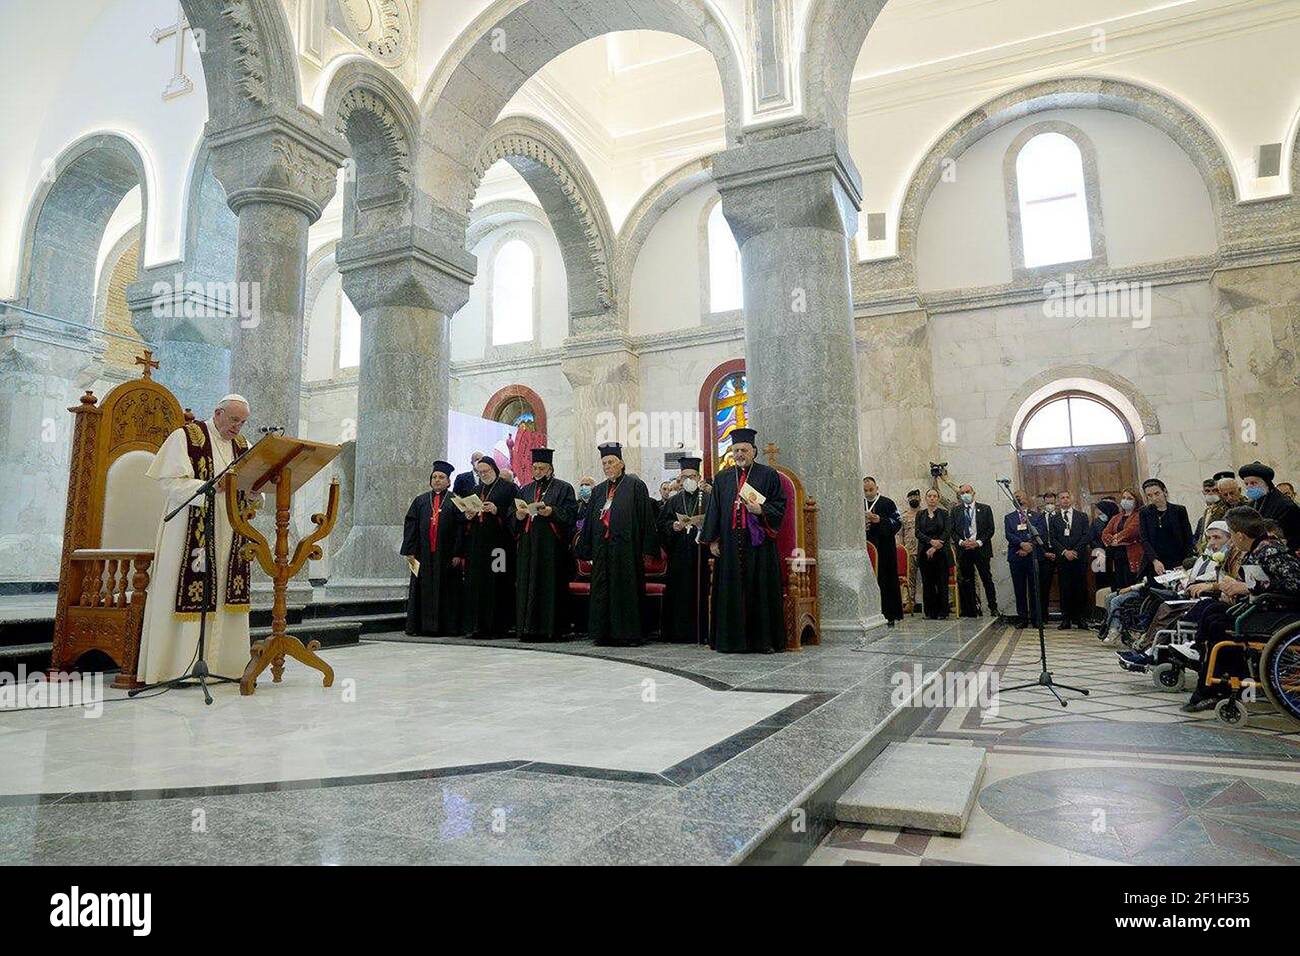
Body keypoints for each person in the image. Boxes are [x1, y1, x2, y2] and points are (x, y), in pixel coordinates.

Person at [136, 395, 260, 684]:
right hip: (189, 530)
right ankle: (176, 668)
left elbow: (253, 488)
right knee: (189, 588)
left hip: (230, 531)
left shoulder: (244, 447)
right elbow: (169, 482)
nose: (238, 427)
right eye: (233, 420)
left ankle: (225, 666)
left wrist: (254, 493)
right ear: (218, 413)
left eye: (242, 422)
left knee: (224, 592)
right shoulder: (186, 437)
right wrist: (207, 486)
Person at [1181, 506, 1300, 712]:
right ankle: (1212, 678)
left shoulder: (1271, 551)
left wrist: (1247, 587)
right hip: (1265, 608)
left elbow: (1295, 584)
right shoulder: (1257, 548)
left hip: (1280, 614)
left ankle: (1217, 687)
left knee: (1217, 623)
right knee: (1211, 611)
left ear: (1240, 535)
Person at [701, 428, 787, 653]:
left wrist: (761, 509)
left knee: (759, 591)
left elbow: (780, 505)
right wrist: (713, 540)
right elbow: (715, 510)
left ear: (754, 451)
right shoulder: (722, 478)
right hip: (729, 544)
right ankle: (730, 641)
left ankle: (762, 641)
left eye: (744, 450)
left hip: (758, 544)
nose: (739, 454)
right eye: (736, 450)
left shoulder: (768, 475)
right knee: (731, 592)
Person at [575, 443, 658, 646]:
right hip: (602, 550)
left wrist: (647, 549)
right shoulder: (598, 490)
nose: (607, 466)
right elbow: (589, 521)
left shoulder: (635, 486)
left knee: (626, 589)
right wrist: (586, 548)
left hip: (626, 550)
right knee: (602, 589)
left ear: (621, 464)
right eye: (604, 463)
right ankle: (603, 633)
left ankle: (628, 634)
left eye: (610, 462)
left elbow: (645, 518)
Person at [512, 447, 577, 642]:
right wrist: (518, 515)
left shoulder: (563, 488)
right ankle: (527, 628)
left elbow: (571, 515)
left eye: (541, 468)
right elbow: (512, 515)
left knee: (549, 586)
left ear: (550, 469)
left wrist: (551, 512)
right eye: (535, 467)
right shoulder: (525, 489)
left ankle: (550, 629)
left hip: (551, 548)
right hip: (528, 546)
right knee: (527, 584)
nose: (537, 471)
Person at [400, 461, 466, 637]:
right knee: (421, 588)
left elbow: (461, 529)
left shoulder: (456, 501)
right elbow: (410, 525)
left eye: (441, 477)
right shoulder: (420, 500)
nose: (437, 480)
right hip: (423, 554)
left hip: (446, 555)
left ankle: (447, 627)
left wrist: (458, 553)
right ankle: (420, 626)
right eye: (434, 477)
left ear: (448, 482)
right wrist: (410, 550)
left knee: (448, 591)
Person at [461, 455, 518, 638]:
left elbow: (514, 514)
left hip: (499, 547)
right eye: (480, 472)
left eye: (486, 471)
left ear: (494, 469)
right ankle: (478, 625)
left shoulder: (509, 488)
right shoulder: (476, 489)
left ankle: (499, 626)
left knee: (498, 581)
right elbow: (467, 518)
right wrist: (468, 515)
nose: (483, 474)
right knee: (477, 583)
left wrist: (496, 510)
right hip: (477, 547)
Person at [657, 457, 712, 643]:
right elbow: (661, 524)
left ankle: (702, 631)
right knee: (679, 593)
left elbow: (716, 521)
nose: (688, 480)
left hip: (702, 554)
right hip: (679, 554)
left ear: (698, 477)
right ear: (679, 480)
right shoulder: (673, 501)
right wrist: (673, 526)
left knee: (701, 589)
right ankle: (678, 633)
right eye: (684, 477)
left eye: (692, 476)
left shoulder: (709, 498)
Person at [949, 483, 997, 618]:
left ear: (973, 492)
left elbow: (990, 529)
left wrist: (978, 542)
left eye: (967, 492)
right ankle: (969, 610)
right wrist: (961, 542)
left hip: (981, 549)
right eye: (962, 493)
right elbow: (952, 530)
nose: (965, 494)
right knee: (966, 580)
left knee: (986, 579)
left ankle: (993, 607)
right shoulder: (955, 511)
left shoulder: (985, 509)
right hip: (964, 550)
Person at [863, 476, 904, 625]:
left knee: (886, 580)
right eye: (865, 490)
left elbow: (897, 522)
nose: (868, 493)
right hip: (866, 547)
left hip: (885, 548)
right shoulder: (859, 503)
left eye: (871, 490)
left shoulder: (887, 503)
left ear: (877, 488)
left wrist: (880, 520)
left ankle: (889, 615)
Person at [1239, 460, 1300, 552]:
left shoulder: (1285, 505)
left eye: (1253, 483)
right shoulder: (1251, 504)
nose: (1249, 487)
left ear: (1266, 483)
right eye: (1246, 484)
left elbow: (1292, 536)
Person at [1138, 478, 1194, 577]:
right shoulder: (1144, 513)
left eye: (1157, 493)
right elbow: (1144, 539)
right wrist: (1154, 560)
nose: (1154, 498)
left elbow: (1188, 537)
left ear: (1164, 492)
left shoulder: (1179, 510)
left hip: (1178, 561)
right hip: (1155, 562)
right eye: (1149, 495)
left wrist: (1186, 563)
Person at [1050, 490, 1090, 629]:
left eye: (1067, 497)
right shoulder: (1053, 518)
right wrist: (1065, 552)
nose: (1065, 500)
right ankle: (1066, 618)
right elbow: (1053, 538)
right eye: (1062, 498)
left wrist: (1075, 551)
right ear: (1058, 501)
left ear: (1071, 499)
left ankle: (1080, 618)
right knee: (1065, 588)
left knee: (1080, 588)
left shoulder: (1082, 516)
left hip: (1079, 558)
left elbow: (1086, 535)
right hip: (1063, 559)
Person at [915, 488, 951, 619]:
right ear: (926, 498)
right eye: (929, 496)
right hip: (925, 552)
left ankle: (943, 612)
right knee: (928, 582)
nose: (932, 498)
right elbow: (917, 532)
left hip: (941, 552)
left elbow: (947, 531)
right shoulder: (920, 514)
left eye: (935, 496)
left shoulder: (944, 513)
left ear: (938, 498)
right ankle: (930, 612)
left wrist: (935, 546)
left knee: (941, 582)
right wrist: (930, 542)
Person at [1004, 489, 1036, 628]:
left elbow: (1039, 532)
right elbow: (1009, 534)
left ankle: (1036, 619)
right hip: (1016, 557)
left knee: (1034, 589)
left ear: (1026, 499)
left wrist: (1029, 547)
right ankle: (1022, 618)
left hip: (1032, 557)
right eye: (1015, 497)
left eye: (1020, 497)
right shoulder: (1009, 517)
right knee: (1019, 589)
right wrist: (1022, 544)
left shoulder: (1036, 516)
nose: (1018, 499)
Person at [1101, 488, 1144, 590]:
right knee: (1120, 585)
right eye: (1124, 498)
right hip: (1118, 556)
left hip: (1133, 555)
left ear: (1136, 501)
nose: (1125, 500)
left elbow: (1132, 530)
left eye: (1129, 498)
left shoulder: (1139, 515)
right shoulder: (1116, 517)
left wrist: (1117, 538)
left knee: (1131, 585)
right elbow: (1105, 533)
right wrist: (1112, 540)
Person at [1035, 491, 1058, 623]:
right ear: (1044, 503)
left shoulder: (1061, 516)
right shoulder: (1038, 518)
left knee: (1066, 585)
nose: (1050, 505)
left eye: (1052, 503)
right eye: (1047, 503)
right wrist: (1044, 553)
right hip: (1044, 555)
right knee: (1044, 587)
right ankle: (1043, 615)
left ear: (1056, 503)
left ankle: (1068, 616)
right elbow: (1035, 538)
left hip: (1061, 554)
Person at [1089, 498, 1119, 591]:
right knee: (1100, 582)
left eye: (1102, 513)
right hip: (1099, 555)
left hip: (1115, 555)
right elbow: (1091, 539)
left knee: (1115, 581)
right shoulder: (1095, 522)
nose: (1100, 515)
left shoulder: (1117, 521)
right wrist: (1101, 548)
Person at [898, 489, 921, 613]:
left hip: (923, 550)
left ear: (920, 498)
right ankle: (909, 602)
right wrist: (902, 548)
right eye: (911, 498)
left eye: (916, 497)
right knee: (910, 578)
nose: (914, 499)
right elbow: (900, 534)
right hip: (909, 551)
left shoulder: (924, 514)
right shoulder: (904, 516)